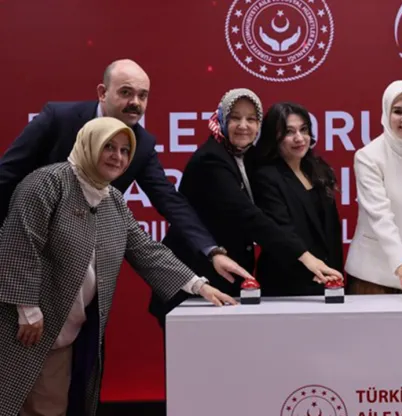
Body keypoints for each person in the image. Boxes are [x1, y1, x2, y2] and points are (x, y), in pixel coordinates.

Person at [0, 117, 236, 416]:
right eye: (109, 147)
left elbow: (146, 251)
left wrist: (198, 285)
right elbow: (19, 242)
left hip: (65, 333)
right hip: (26, 327)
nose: (118, 157)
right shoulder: (47, 183)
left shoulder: (112, 200)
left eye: (125, 151)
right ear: (89, 144)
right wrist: (27, 308)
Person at [0, 58, 251, 286]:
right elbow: (7, 175)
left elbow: (169, 201)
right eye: (126, 93)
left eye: (143, 96)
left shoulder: (142, 145)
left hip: (83, 261)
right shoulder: (58, 118)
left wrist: (211, 251)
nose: (135, 103)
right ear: (102, 93)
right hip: (26, 252)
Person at [149, 89, 343, 326]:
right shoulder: (211, 159)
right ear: (222, 119)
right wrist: (306, 258)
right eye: (235, 118)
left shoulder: (249, 156)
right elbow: (249, 216)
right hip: (191, 276)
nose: (243, 126)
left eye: (251, 119)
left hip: (224, 279)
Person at [345, 80, 402, 294]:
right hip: (375, 271)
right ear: (386, 112)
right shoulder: (368, 157)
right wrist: (401, 263)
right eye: (398, 111)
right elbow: (380, 216)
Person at [251, 102, 344, 296]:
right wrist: (313, 265)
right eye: (289, 132)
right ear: (274, 137)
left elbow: (331, 230)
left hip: (328, 278)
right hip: (286, 283)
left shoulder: (317, 168)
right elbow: (281, 231)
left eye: (304, 130)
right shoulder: (266, 177)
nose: (299, 138)